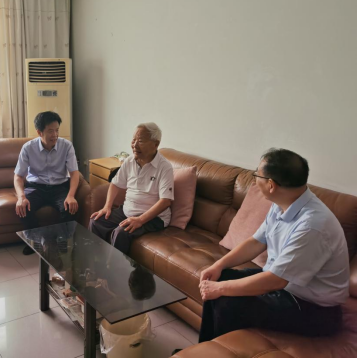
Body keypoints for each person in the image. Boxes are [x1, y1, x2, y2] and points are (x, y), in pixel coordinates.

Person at [198, 148, 350, 343]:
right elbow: (256, 242)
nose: (254, 179)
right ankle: (202, 349)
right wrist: (218, 265)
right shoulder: (282, 204)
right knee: (221, 277)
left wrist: (219, 289)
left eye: (257, 175)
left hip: (313, 308)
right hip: (285, 287)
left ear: (271, 185)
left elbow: (275, 281)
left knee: (227, 300)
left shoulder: (312, 226)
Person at [90, 123, 174, 255]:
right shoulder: (129, 161)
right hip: (128, 210)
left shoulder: (164, 167)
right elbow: (115, 184)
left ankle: (114, 268)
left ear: (155, 144)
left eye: (140, 141)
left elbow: (166, 201)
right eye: (133, 140)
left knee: (121, 232)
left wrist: (140, 220)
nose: (134, 145)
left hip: (154, 217)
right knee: (96, 222)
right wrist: (107, 206)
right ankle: (97, 262)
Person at [14, 111, 81, 255]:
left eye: (57, 130)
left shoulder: (66, 146)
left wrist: (71, 195)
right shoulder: (28, 148)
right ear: (39, 132)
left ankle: (63, 241)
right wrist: (21, 197)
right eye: (50, 131)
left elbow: (74, 173)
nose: (55, 135)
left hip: (59, 187)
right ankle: (35, 242)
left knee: (70, 208)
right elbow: (18, 176)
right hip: (36, 187)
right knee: (23, 207)